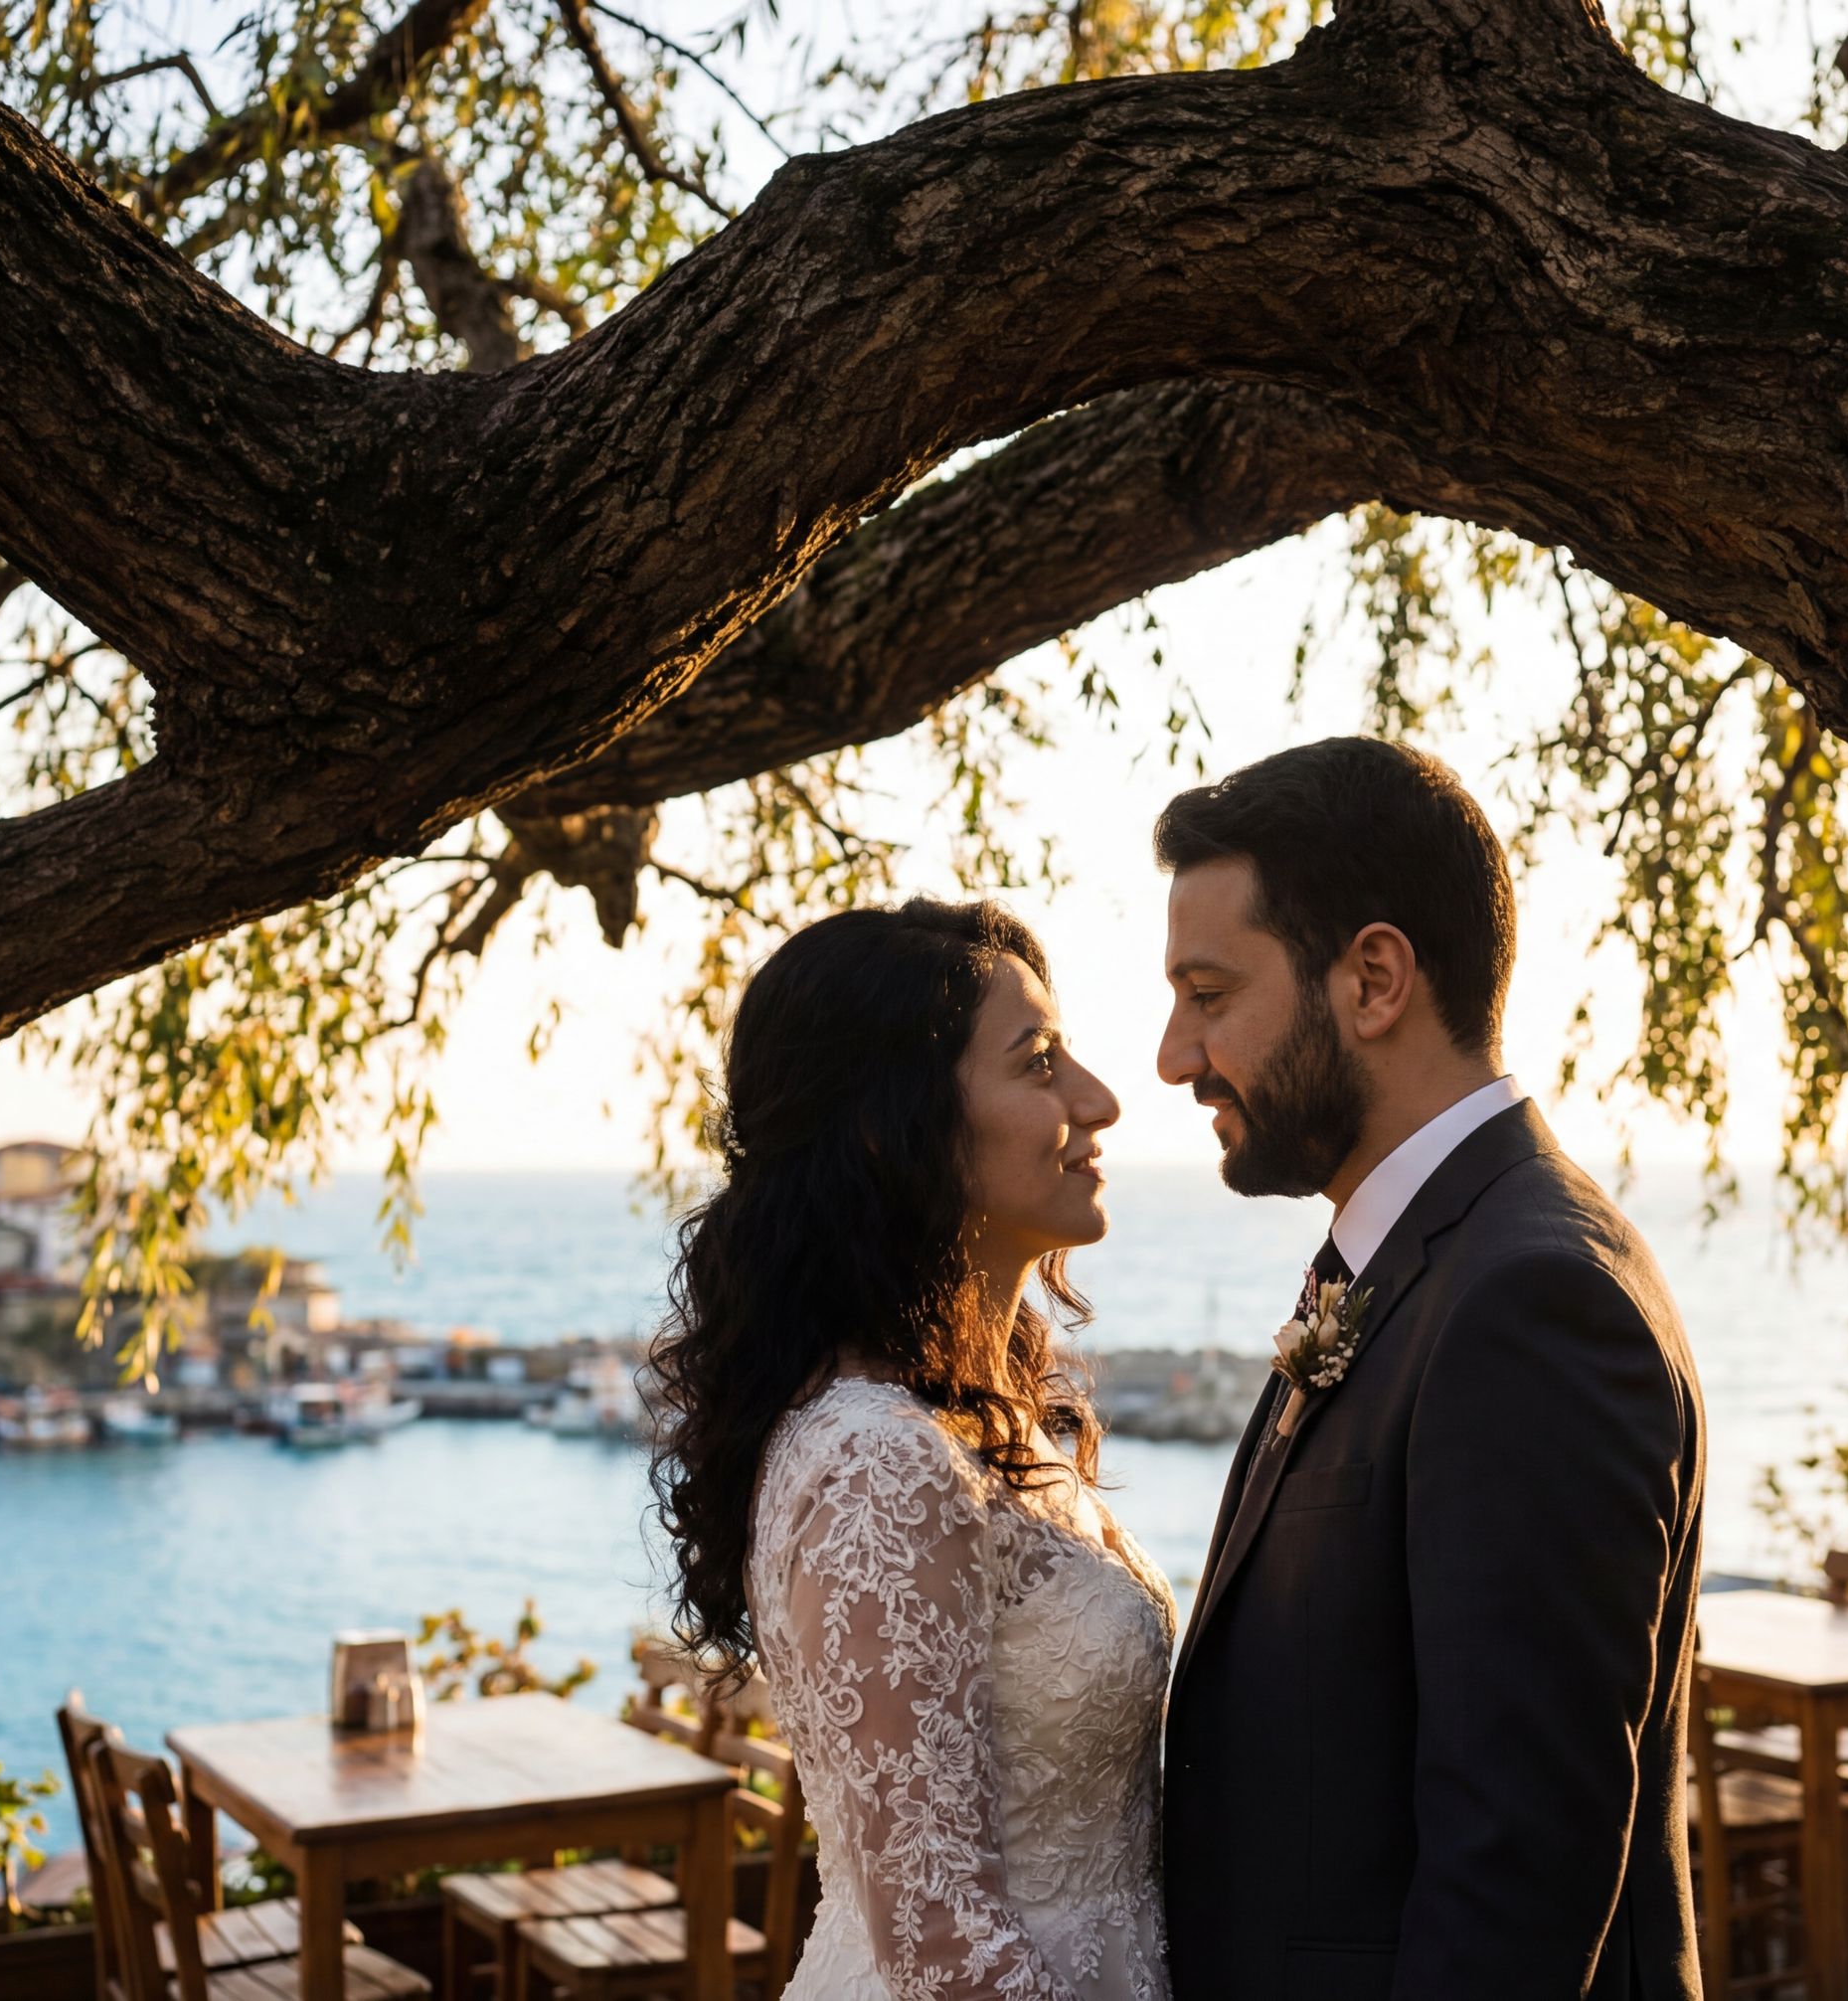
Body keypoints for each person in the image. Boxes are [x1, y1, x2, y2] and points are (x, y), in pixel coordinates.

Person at [1155, 737, 1706, 2001]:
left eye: (1210, 994)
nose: (1175, 1058)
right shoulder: (1414, 1261)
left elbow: (1517, 1875)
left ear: (1374, 980)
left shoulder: (1532, 1301)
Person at [648, 899, 1174, 2000]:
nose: (1099, 1100)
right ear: (892, 1128)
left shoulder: (981, 1425)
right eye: (1038, 1064)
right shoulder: (880, 1462)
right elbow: (942, 1946)